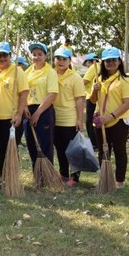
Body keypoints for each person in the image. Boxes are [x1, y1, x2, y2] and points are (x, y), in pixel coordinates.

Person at [90, 47, 129, 189]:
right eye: (107, 61)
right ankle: (104, 178)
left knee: (119, 150)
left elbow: (128, 103)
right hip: (101, 121)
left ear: (119, 62)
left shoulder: (125, 80)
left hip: (118, 120)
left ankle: (119, 180)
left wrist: (111, 116)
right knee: (103, 150)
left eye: (114, 60)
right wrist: (95, 90)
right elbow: (92, 100)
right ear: (103, 63)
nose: (111, 63)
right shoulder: (98, 78)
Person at [0, 42, 29, 177]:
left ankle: (12, 179)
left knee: (10, 150)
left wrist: (19, 114)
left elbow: (23, 94)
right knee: (0, 150)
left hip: (11, 119)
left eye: (5, 55)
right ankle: (3, 178)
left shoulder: (18, 72)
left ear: (10, 56)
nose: (2, 58)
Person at [52, 48, 85, 186]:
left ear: (69, 61)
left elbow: (79, 99)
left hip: (69, 118)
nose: (61, 61)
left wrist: (79, 119)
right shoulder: (50, 74)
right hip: (54, 118)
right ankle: (63, 173)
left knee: (72, 149)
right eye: (58, 58)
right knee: (59, 148)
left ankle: (75, 177)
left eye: (64, 59)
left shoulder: (75, 77)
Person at [23, 42, 58, 167]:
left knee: (44, 144)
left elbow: (52, 94)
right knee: (32, 144)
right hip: (28, 111)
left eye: (40, 54)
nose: (36, 57)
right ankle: (37, 174)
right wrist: (25, 106)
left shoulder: (50, 72)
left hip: (44, 110)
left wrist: (38, 113)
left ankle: (47, 174)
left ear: (45, 56)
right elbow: (22, 92)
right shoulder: (27, 72)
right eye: (34, 54)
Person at [82, 53, 100, 150]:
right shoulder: (102, 66)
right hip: (100, 97)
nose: (87, 66)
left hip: (91, 96)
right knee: (97, 119)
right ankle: (98, 142)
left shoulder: (94, 66)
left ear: (90, 61)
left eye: (87, 64)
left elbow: (84, 81)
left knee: (89, 121)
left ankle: (94, 143)